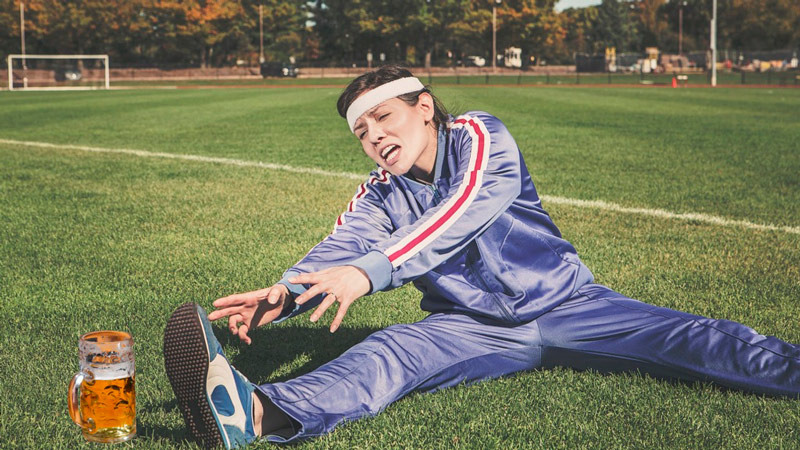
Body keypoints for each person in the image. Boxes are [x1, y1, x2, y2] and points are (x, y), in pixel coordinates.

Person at [163, 65, 800, 449]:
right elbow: (342, 247)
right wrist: (287, 293)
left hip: (570, 304)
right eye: (361, 132)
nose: (375, 138)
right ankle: (256, 413)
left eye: (384, 118)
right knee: (386, 353)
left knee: (695, 340)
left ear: (423, 108)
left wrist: (372, 271)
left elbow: (466, 208)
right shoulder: (378, 195)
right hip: (469, 328)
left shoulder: (478, 135)